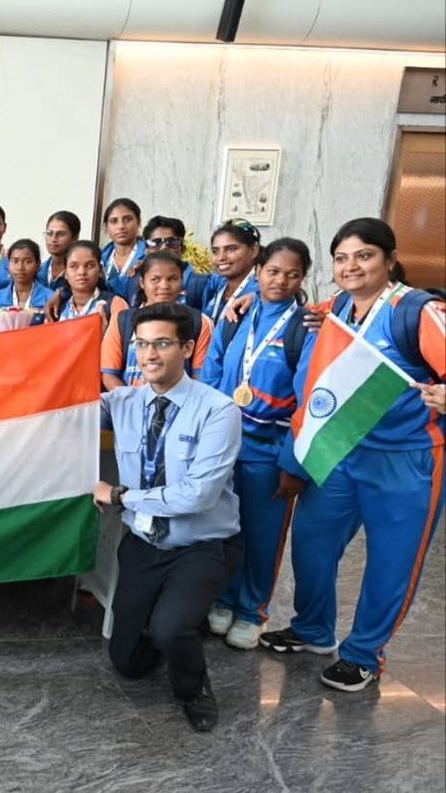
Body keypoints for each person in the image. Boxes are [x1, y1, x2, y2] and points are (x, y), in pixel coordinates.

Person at [261, 218, 445, 692]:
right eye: (341, 258)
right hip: (340, 452)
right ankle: (313, 628)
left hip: (407, 461)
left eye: (363, 256)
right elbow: (284, 311)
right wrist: (244, 302)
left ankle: (364, 653)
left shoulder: (417, 312)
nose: (351, 266)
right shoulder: (335, 310)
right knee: (312, 543)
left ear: (389, 259)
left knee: (391, 562)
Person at [93, 301, 243, 732]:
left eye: (162, 343)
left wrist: (121, 496)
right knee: (128, 664)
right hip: (143, 543)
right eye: (141, 345)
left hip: (199, 545)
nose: (150, 355)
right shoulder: (122, 401)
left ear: (188, 347)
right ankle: (162, 626)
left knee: (172, 629)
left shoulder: (218, 410)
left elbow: (197, 495)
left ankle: (194, 688)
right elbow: (61, 410)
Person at [202, 239, 312, 650]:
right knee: (224, 528)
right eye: (272, 271)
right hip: (225, 445)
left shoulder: (305, 327)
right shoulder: (235, 317)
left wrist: (293, 463)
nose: (280, 281)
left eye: (292, 274)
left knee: (263, 536)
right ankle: (224, 599)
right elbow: (211, 376)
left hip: (270, 449)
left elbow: (309, 400)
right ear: (259, 270)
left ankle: (252, 611)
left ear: (303, 278)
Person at [101, 251, 214, 390]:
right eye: (155, 279)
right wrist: (132, 405)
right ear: (142, 282)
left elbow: (200, 377)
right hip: (128, 406)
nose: (164, 286)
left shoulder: (199, 322)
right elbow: (109, 375)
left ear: (182, 281)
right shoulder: (122, 320)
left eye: (173, 279)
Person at [142, 216, 215, 313]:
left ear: (183, 248)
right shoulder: (134, 283)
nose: (164, 247)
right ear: (146, 250)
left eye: (172, 242)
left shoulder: (202, 284)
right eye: (156, 242)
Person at [53, 241, 128, 328]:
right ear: (65, 272)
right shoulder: (57, 308)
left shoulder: (114, 304)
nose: (81, 272)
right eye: (74, 266)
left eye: (89, 266)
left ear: (100, 270)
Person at [204, 218, 262, 321]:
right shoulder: (218, 284)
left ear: (253, 250)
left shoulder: (262, 291)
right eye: (215, 251)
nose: (221, 257)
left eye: (231, 249)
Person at [0, 239, 51, 327]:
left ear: (38, 265)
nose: (20, 267)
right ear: (8, 264)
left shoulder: (50, 298)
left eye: (28, 262)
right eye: (15, 261)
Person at [100, 198, 147, 299]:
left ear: (138, 222)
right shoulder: (100, 259)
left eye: (128, 219)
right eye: (114, 221)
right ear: (106, 227)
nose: (121, 226)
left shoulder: (149, 256)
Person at [40, 211, 81, 291]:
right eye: (49, 233)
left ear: (75, 238)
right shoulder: (38, 271)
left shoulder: (80, 274)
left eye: (61, 234)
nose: (53, 239)